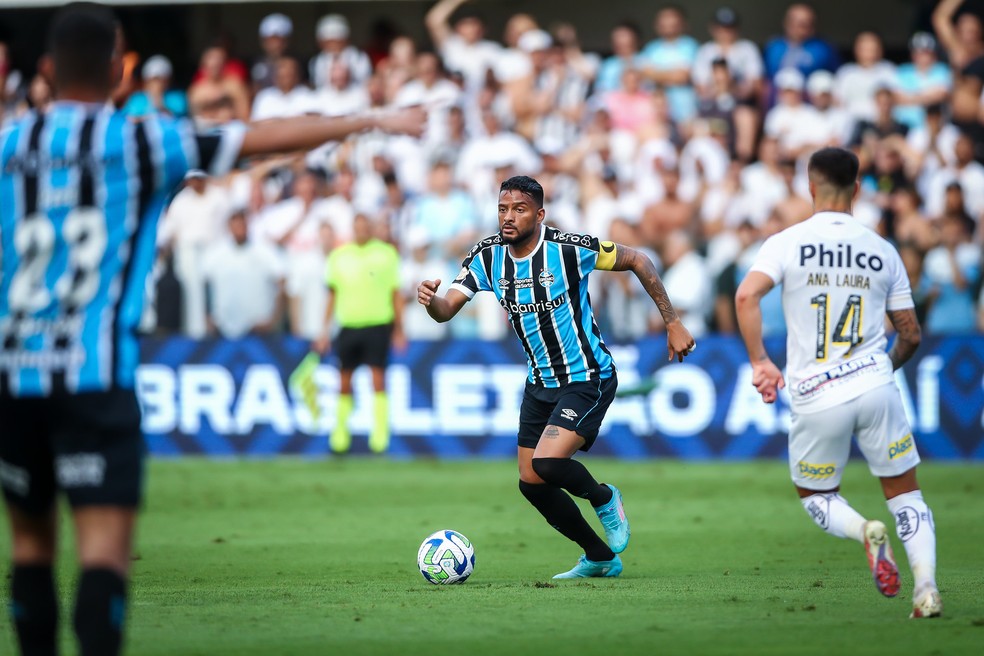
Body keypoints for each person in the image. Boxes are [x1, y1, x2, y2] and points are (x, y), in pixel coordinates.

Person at [0, 5, 424, 655]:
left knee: (29, 550)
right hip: (96, 377)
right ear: (119, 72)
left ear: (48, 70)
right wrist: (370, 118)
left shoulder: (9, 147)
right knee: (103, 556)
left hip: (17, 380)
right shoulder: (146, 140)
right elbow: (263, 137)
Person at [416, 176, 696, 578]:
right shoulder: (486, 256)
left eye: (519, 209)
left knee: (548, 463)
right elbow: (447, 311)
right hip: (539, 383)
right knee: (530, 481)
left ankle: (603, 497)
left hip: (588, 375)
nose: (508, 217)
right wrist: (431, 301)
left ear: (540, 214)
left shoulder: (568, 249)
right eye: (502, 209)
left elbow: (638, 260)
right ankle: (599, 557)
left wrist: (672, 322)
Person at [735, 147, 942, 620]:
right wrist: (881, 371)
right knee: (907, 494)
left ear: (810, 186)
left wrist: (760, 361)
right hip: (874, 384)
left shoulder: (787, 241)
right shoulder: (882, 249)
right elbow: (910, 333)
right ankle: (926, 588)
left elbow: (747, 294)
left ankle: (866, 529)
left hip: (815, 392)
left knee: (817, 497)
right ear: (858, 187)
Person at [314, 214, 405, 454]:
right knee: (343, 381)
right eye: (358, 227)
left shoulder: (386, 254)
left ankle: (380, 435)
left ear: (371, 228)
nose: (362, 230)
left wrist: (399, 329)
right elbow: (332, 295)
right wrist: (324, 330)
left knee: (377, 379)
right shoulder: (339, 256)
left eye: (366, 226)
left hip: (378, 324)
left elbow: (395, 294)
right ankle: (340, 434)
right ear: (353, 229)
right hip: (348, 325)